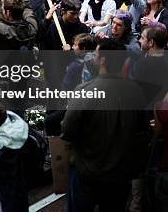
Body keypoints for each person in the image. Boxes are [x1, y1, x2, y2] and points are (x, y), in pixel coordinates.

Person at [62, 39, 146, 212]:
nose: (93, 57)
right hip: (121, 172)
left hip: (87, 170)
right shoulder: (135, 92)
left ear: (102, 60)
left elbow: (68, 130)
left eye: (96, 54)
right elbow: (143, 129)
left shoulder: (85, 90)